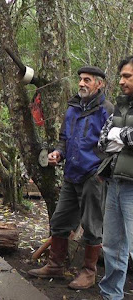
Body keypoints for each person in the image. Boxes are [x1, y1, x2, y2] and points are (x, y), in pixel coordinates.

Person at [28, 66, 114, 290]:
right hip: (71, 174)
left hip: (93, 176)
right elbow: (64, 139)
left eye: (87, 80)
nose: (82, 84)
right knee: (59, 221)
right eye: (80, 80)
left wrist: (100, 173)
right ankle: (55, 265)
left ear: (99, 84)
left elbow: (112, 146)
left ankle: (88, 272)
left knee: (92, 226)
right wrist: (58, 153)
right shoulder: (73, 108)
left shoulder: (106, 110)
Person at [98, 56, 133, 299]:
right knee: (112, 246)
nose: (121, 81)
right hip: (115, 182)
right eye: (121, 76)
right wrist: (121, 136)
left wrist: (117, 136)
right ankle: (111, 295)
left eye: (127, 76)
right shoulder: (121, 106)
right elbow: (101, 142)